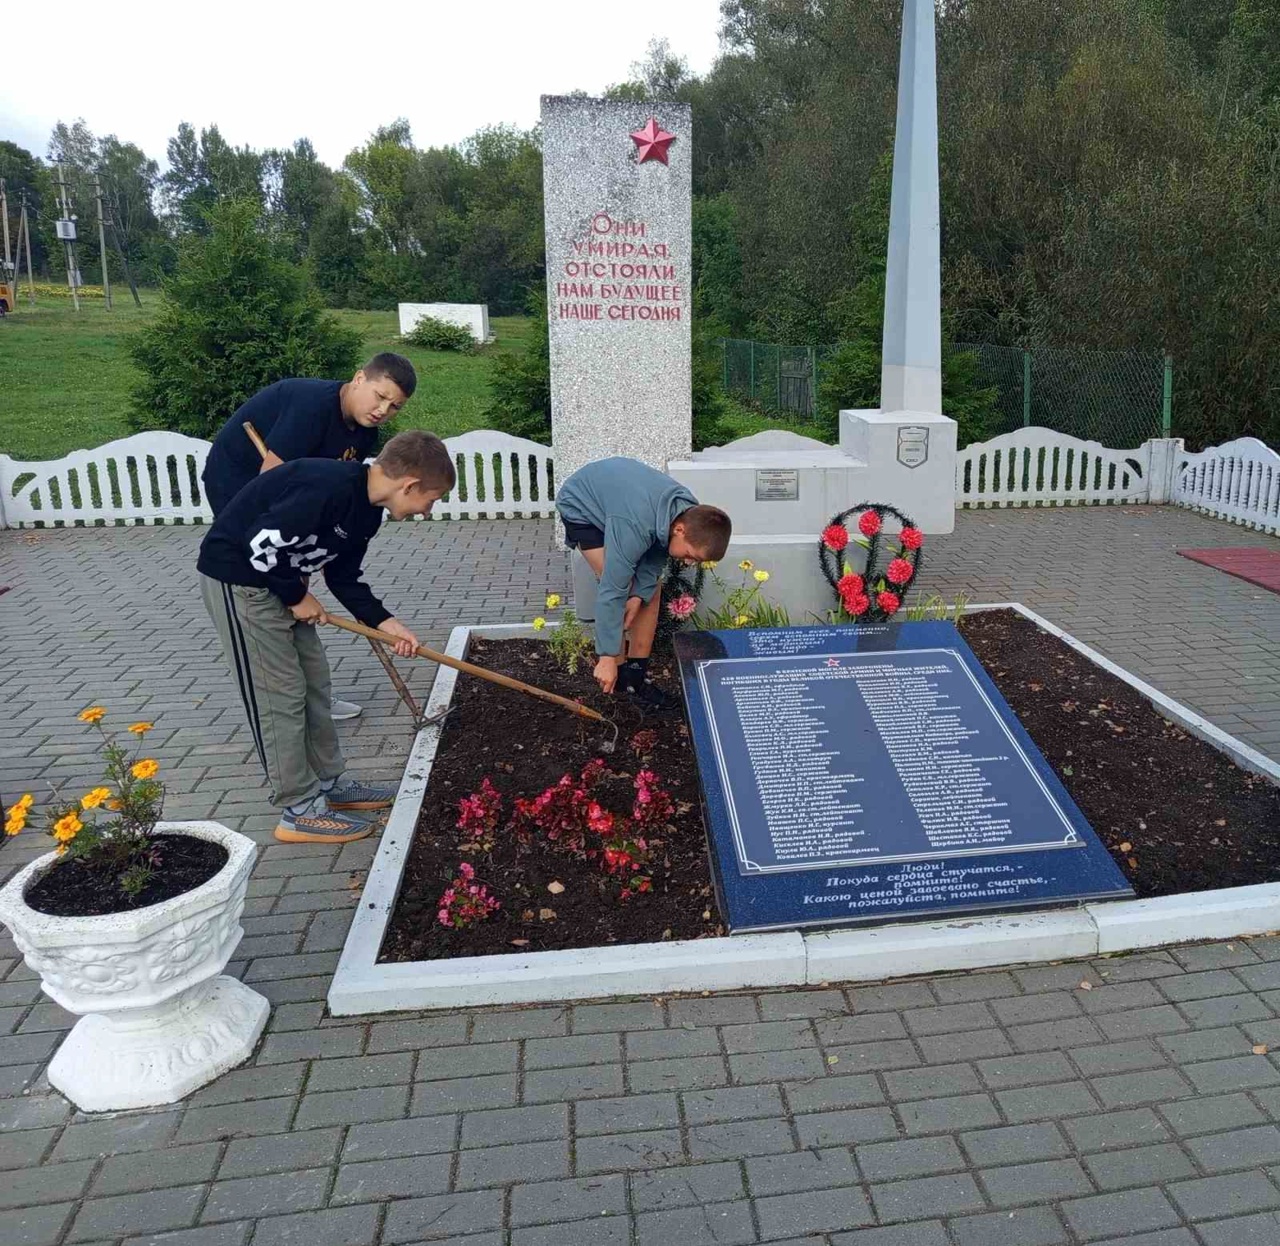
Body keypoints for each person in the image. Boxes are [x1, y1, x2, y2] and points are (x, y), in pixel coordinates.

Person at [197, 430, 456, 844]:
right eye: (432, 499)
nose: (428, 511)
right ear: (409, 485)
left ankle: (329, 784)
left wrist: (385, 622)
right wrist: (297, 596)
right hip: (241, 584)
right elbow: (260, 545)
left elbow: (343, 577)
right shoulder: (325, 487)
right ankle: (298, 809)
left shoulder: (367, 513)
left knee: (314, 683)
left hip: (281, 584)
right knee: (279, 696)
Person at [200, 353, 418, 720]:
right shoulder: (312, 407)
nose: (383, 410)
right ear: (359, 379)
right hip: (239, 486)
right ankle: (283, 691)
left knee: (290, 582)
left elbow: (339, 490)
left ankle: (313, 694)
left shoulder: (365, 432)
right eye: (380, 396)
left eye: (394, 406)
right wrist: (293, 586)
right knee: (271, 579)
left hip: (288, 498)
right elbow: (273, 485)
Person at [555, 456, 732, 707]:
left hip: (622, 504)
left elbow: (655, 557)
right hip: (583, 505)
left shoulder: (687, 511)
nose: (689, 563)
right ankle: (616, 679)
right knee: (620, 583)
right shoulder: (635, 524)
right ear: (679, 530)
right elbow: (612, 588)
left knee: (649, 589)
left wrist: (639, 596)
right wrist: (605, 656)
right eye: (691, 555)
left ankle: (636, 677)